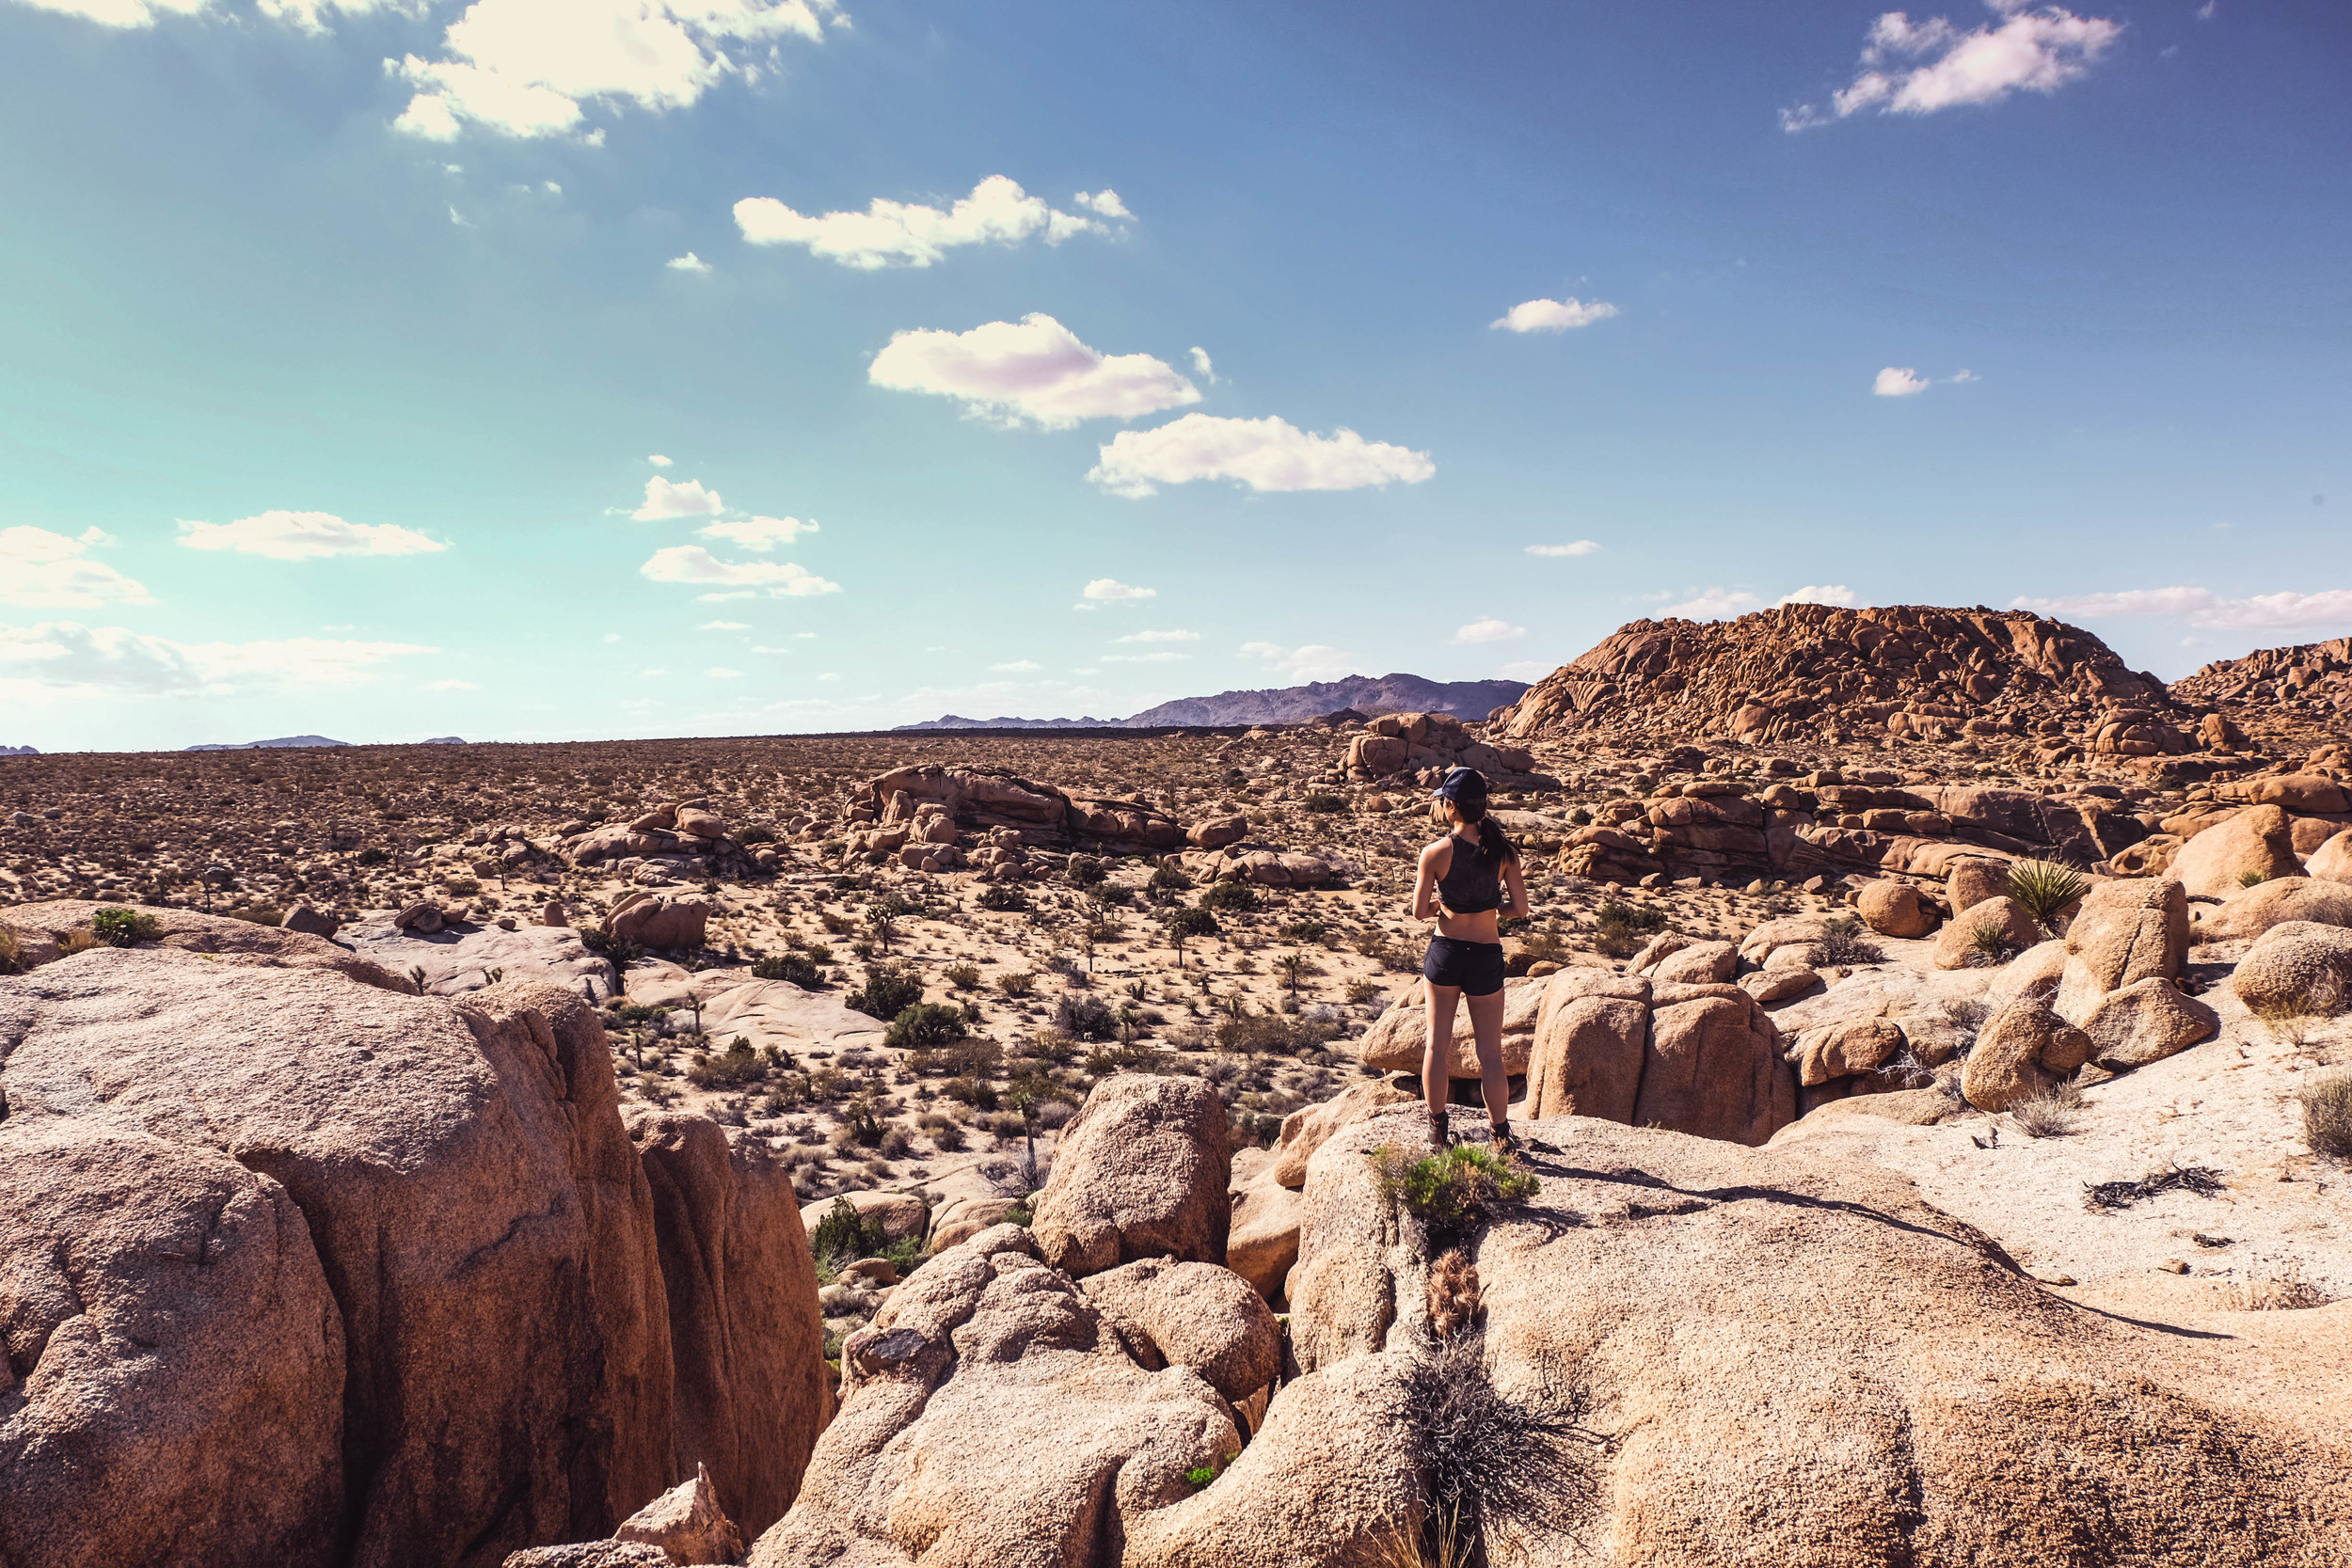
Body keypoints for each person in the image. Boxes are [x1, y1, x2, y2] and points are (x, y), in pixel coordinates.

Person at [1411, 766, 1528, 1149]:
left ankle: (1436, 1131)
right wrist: (1490, 910)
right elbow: (1521, 909)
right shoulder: (1504, 852)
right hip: (1485, 955)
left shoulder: (1435, 853)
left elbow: (1418, 912)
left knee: (1435, 1046)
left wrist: (1445, 906)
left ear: (1450, 806)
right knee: (1491, 1054)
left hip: (1445, 953)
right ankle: (1499, 1136)